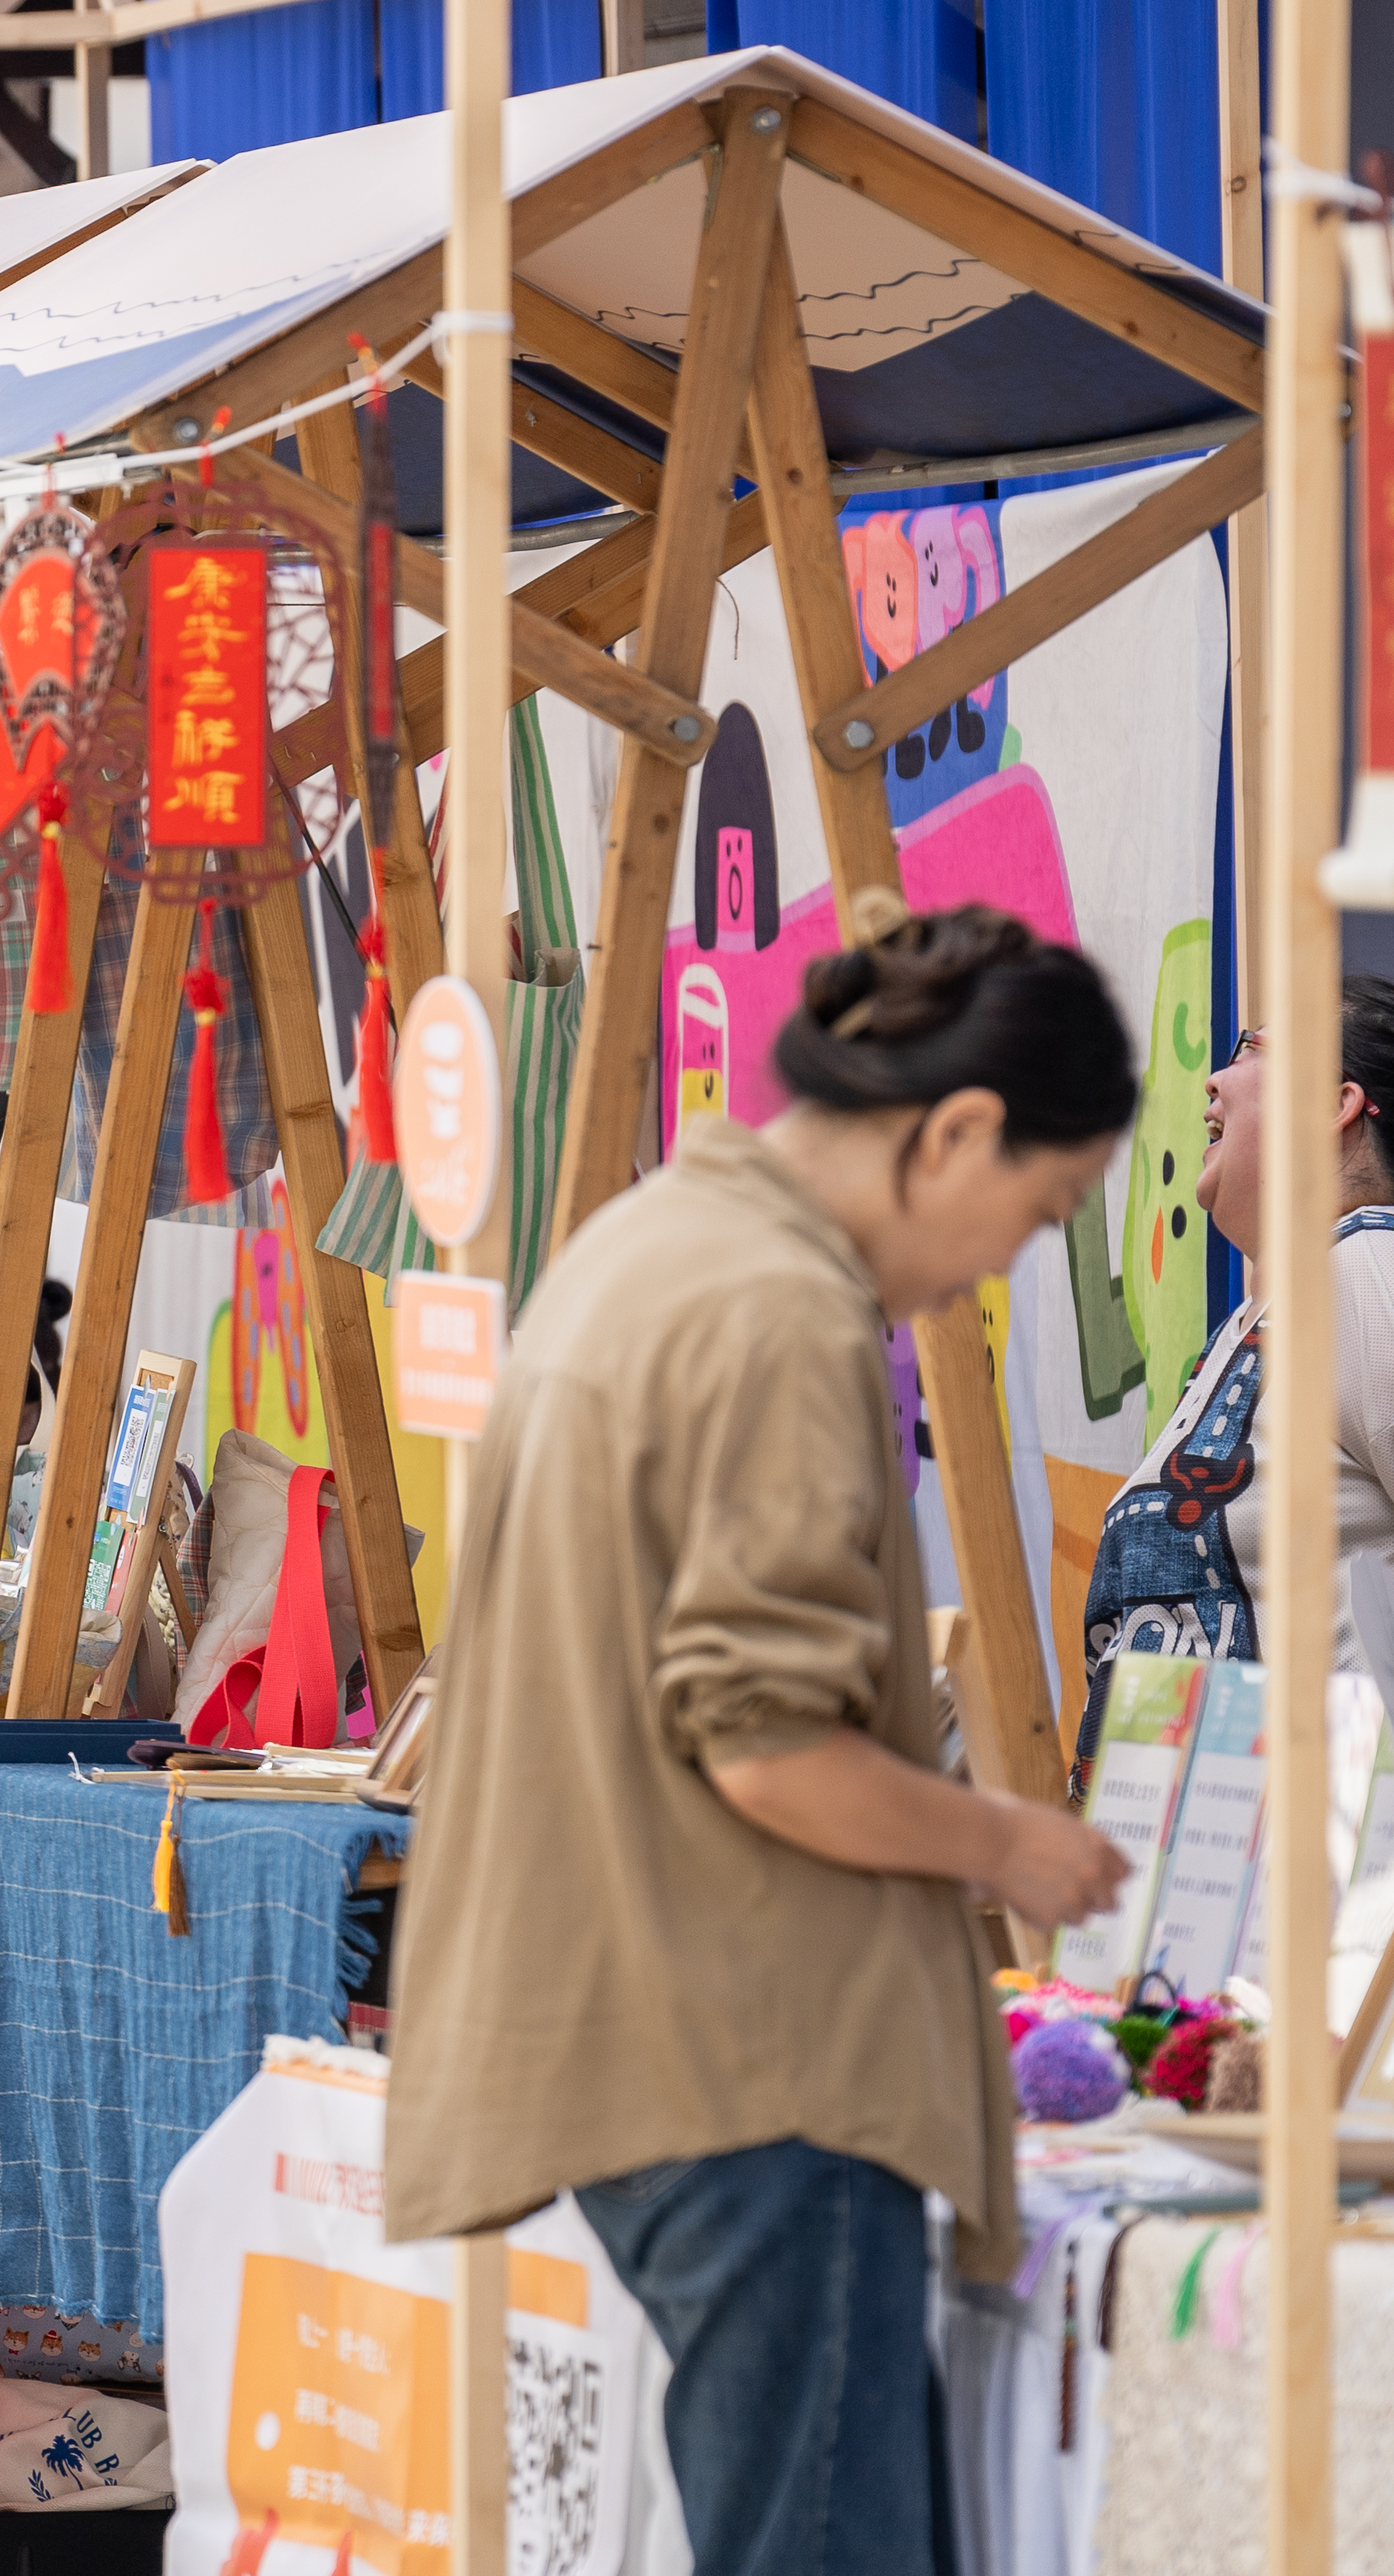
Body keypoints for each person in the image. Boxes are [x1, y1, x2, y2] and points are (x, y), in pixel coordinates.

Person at [388, 907, 1140, 2576]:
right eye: (1041, 1210)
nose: (1007, 1259)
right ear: (955, 1132)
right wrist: (1013, 1842)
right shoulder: (777, 1308)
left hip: (666, 2047)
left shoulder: (648, 1245)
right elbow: (770, 1742)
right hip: (752, 2060)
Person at [1082, 976, 1394, 1723]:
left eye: (1250, 1049)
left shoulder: (1368, 1268)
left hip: (1338, 1835)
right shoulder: (1269, 1314)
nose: (1215, 1080)